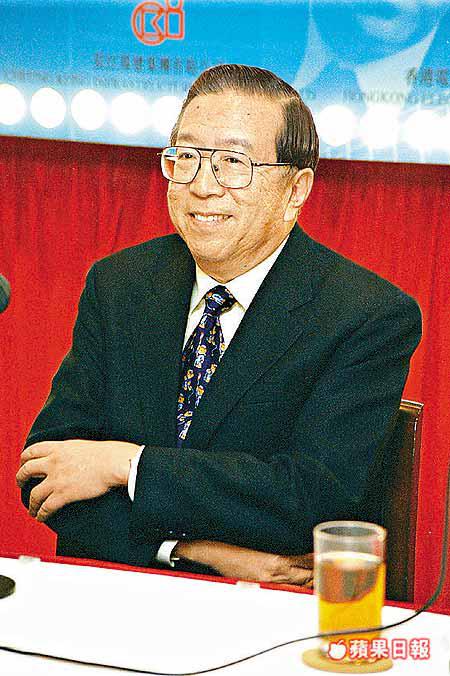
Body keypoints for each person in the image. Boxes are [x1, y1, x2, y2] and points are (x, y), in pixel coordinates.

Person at [17, 64, 421, 585]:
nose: (202, 186)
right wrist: (191, 552)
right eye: (186, 157)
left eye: (233, 162)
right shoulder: (120, 284)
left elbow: (312, 498)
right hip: (116, 592)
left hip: (268, 610)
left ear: (296, 189)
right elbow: (47, 475)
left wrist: (127, 465)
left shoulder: (365, 315)